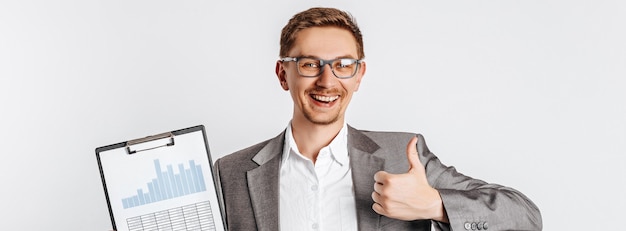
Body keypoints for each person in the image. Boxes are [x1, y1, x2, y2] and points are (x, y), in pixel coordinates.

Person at [213, 7, 542, 231]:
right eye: (310, 64)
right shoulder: (230, 173)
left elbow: (525, 217)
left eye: (343, 65)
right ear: (283, 74)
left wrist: (435, 205)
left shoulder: (402, 155)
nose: (327, 82)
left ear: (359, 75)